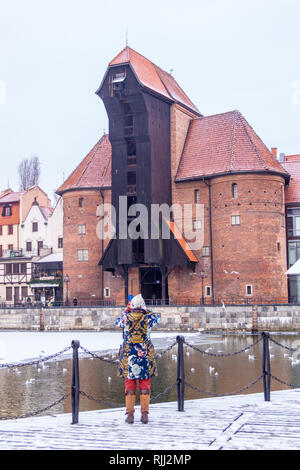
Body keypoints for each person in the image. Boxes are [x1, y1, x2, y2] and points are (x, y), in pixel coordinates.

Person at [116, 294, 160, 424]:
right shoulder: (149, 318)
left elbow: (117, 322)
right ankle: (144, 415)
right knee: (145, 385)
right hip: (144, 354)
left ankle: (130, 415)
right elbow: (157, 318)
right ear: (143, 307)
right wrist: (146, 310)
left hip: (129, 355)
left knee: (129, 384)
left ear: (132, 307)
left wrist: (126, 310)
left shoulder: (125, 318)